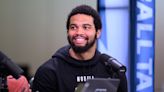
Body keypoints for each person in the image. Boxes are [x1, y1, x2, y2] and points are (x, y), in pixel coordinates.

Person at [32, 5, 128, 92]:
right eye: (73, 27)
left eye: (86, 27)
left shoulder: (113, 71)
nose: (79, 32)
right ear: (67, 32)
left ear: (98, 33)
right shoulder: (49, 71)